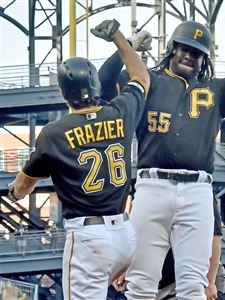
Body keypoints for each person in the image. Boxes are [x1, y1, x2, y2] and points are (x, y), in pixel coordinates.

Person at [96, 20, 225, 299]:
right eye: (184, 48)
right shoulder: (148, 79)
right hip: (151, 185)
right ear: (172, 48)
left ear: (204, 58)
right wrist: (126, 45)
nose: (190, 55)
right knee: (140, 283)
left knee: (194, 285)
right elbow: (102, 83)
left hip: (197, 189)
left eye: (197, 52)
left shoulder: (219, 87)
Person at [7, 19, 150, 300]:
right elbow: (141, 77)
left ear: (63, 94)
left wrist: (14, 191)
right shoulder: (120, 111)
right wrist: (121, 40)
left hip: (90, 241)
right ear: (97, 86)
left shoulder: (53, 134)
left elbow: (23, 187)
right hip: (125, 236)